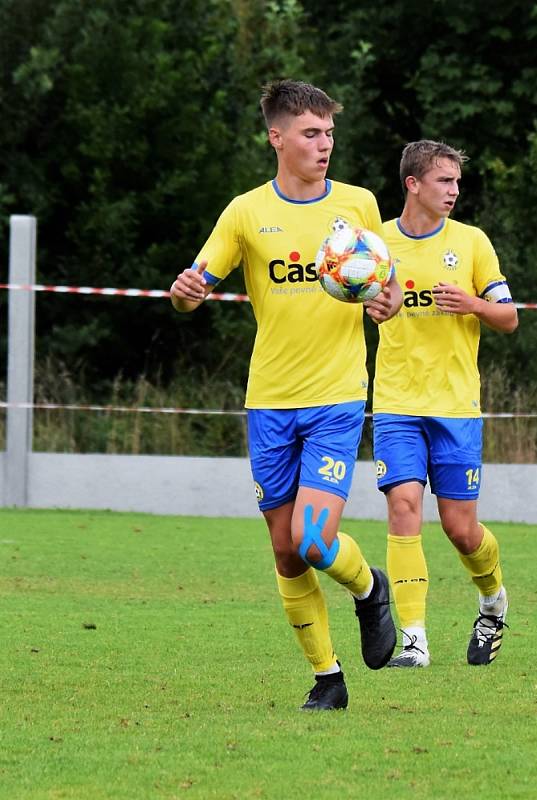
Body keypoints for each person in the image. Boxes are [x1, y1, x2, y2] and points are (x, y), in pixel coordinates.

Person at [170, 79, 402, 709]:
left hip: (336, 398)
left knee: (312, 538)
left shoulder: (358, 205)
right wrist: (185, 292)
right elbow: (195, 284)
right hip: (269, 399)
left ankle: (369, 588)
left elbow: (388, 284)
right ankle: (328, 679)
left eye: (329, 133)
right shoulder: (246, 212)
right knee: (284, 550)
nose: (324, 144)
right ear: (277, 138)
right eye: (310, 134)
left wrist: (388, 301)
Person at [372, 140, 518, 668]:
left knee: (460, 529)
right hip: (395, 401)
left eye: (457, 181)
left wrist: (474, 304)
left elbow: (509, 317)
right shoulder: (379, 242)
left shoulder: (472, 243)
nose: (454, 191)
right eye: (443, 181)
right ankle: (413, 640)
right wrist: (369, 306)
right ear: (413, 184)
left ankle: (493, 599)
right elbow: (357, 299)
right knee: (403, 505)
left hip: (456, 406)